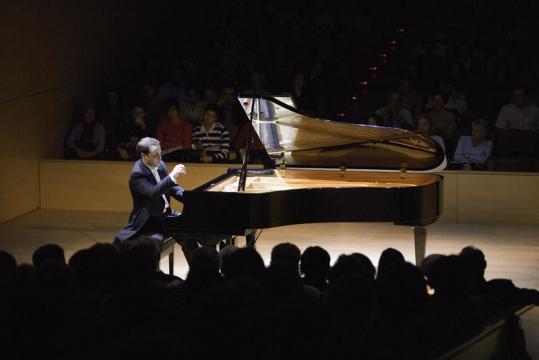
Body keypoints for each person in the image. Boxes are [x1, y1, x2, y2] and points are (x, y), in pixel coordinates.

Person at [113, 137, 186, 249]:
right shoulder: (137, 175)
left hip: (166, 215)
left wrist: (189, 198)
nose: (160, 158)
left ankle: (197, 266)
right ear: (144, 156)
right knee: (151, 246)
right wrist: (172, 176)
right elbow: (153, 193)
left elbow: (171, 187)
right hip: (149, 222)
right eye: (155, 155)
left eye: (160, 153)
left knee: (189, 232)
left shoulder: (160, 165)